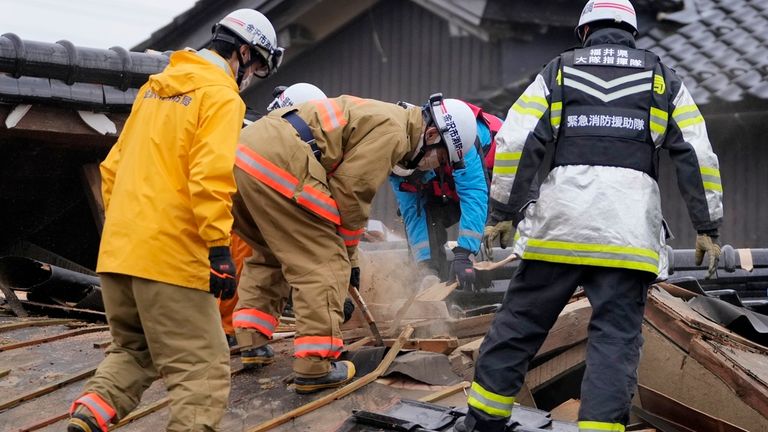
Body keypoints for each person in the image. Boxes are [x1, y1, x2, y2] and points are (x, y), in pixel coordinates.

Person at [458, 1, 723, 431]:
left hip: (559, 229)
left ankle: (484, 419)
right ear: (632, 34)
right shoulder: (661, 77)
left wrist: (503, 212)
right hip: (626, 237)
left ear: (584, 32)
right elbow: (697, 152)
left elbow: (515, 139)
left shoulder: (558, 70)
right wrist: (706, 226)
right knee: (614, 341)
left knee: (520, 323)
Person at [67, 9, 284, 432]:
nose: (251, 77)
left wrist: (128, 232)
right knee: (203, 374)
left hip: (118, 254)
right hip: (170, 261)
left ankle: (87, 419)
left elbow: (112, 169)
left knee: (133, 353)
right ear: (242, 52)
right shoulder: (219, 96)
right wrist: (219, 250)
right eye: (256, 66)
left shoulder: (154, 89)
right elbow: (210, 177)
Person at [231, 93, 478, 393]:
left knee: (270, 255)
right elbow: (351, 195)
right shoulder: (395, 132)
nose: (431, 168)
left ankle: (252, 341)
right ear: (431, 134)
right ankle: (315, 365)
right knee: (323, 261)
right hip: (280, 164)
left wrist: (351, 261)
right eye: (438, 158)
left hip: (243, 158)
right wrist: (348, 261)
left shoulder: (386, 117)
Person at [219, 83, 330, 346]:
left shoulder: (265, 130)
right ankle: (228, 330)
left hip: (237, 206)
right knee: (244, 262)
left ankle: (243, 334)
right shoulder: (264, 134)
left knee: (254, 263)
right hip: (234, 208)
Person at [389, 102, 502, 291]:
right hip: (447, 185)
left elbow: (474, 196)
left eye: (441, 158)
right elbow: (414, 214)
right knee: (429, 215)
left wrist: (464, 253)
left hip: (498, 179)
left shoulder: (463, 143)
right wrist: (426, 268)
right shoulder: (399, 160)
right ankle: (434, 275)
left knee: (472, 245)